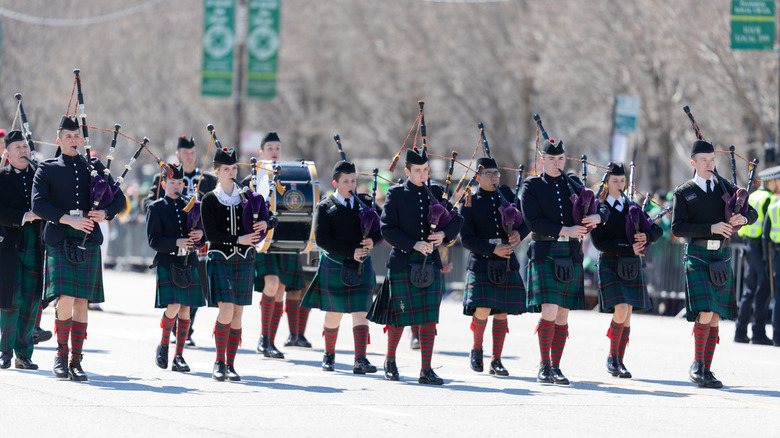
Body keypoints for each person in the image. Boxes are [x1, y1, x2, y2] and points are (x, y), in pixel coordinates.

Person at [32, 116, 126, 381]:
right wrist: (67, 218)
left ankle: (77, 359)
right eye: (69, 137)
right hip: (61, 236)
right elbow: (38, 204)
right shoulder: (47, 169)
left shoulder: (94, 167)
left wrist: (105, 213)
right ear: (59, 140)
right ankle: (61, 355)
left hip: (87, 240)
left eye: (78, 137)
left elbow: (120, 199)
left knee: (83, 301)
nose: (74, 141)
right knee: (66, 298)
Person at [367, 146, 464, 385]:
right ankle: (390, 361)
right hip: (403, 262)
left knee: (429, 319)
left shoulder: (436, 192)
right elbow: (387, 229)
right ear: (408, 170)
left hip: (430, 264)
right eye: (418, 170)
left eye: (426, 170)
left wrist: (443, 235)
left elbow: (455, 219)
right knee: (398, 318)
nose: (423, 174)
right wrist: (414, 244)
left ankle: (426, 369)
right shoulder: (396, 194)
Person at [519, 138, 608, 385]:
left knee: (563, 314)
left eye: (560, 159)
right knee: (549, 308)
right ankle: (544, 365)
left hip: (570, 254)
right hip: (545, 251)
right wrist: (565, 230)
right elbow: (533, 221)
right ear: (542, 161)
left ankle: (556, 366)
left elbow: (600, 208)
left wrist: (597, 219)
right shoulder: (531, 186)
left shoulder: (574, 185)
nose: (556, 163)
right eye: (551, 159)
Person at [672, 139, 757, 388]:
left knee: (716, 316)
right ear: (693, 163)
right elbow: (678, 228)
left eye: (712, 160)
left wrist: (743, 218)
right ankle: (698, 365)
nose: (709, 164)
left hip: (720, 257)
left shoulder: (725, 186)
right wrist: (711, 227)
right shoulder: (684, 191)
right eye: (704, 160)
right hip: (697, 255)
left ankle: (707, 369)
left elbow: (752, 213)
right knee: (706, 311)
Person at [301, 161, 383, 373]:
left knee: (361, 311)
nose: (351, 185)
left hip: (361, 264)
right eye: (346, 181)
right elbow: (322, 239)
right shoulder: (325, 206)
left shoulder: (366, 202)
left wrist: (374, 241)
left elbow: (384, 226)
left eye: (353, 181)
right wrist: (350, 252)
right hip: (336, 263)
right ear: (336, 183)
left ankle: (360, 359)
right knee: (334, 313)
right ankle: (329, 355)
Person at [202, 147, 273, 381]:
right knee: (227, 309)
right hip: (220, 256)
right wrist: (238, 239)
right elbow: (211, 234)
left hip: (244, 259)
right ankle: (218, 362)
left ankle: (230, 365)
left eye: (233, 168)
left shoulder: (246, 197)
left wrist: (265, 223)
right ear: (217, 172)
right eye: (226, 169)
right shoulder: (210, 199)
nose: (231, 172)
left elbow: (268, 214)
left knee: (238, 314)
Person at [590, 162, 663, 378]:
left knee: (628, 314)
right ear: (607, 183)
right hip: (610, 261)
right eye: (615, 181)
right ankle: (612, 357)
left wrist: (647, 237)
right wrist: (628, 247)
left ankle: (620, 360)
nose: (620, 184)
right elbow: (599, 242)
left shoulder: (632, 207)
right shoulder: (599, 208)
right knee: (621, 309)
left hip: (630, 264)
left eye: (622, 180)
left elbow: (656, 229)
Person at [144, 135, 217, 347]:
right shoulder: (161, 186)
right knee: (175, 303)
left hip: (196, 252)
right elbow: (150, 207)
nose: (190, 156)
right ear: (178, 154)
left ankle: (183, 341)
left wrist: (201, 234)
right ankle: (167, 340)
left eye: (193, 152)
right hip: (169, 251)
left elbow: (212, 214)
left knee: (191, 299)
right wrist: (158, 212)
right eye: (186, 152)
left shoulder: (208, 180)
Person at [459, 157, 529, 376]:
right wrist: (491, 250)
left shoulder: (507, 196)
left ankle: (496, 360)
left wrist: (519, 233)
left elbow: (526, 220)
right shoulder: (470, 200)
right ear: (478, 176)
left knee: (502, 311)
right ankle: (476, 349)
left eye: (496, 174)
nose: (494, 178)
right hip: (482, 260)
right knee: (482, 308)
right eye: (489, 174)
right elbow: (466, 238)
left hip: (506, 259)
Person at [244, 132, 308, 359]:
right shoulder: (253, 177)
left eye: (277, 147)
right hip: (263, 240)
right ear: (261, 152)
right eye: (270, 147)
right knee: (271, 284)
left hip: (286, 236)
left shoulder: (291, 176)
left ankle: (270, 341)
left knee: (280, 289)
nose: (274, 151)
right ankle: (264, 338)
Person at [146, 163, 206, 372]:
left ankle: (179, 355)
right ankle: (163, 345)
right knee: (173, 307)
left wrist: (201, 236)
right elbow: (153, 241)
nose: (177, 186)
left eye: (179, 182)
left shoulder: (190, 205)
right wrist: (176, 242)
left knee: (186, 309)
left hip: (188, 261)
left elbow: (201, 232)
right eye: (172, 183)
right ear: (163, 184)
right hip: (168, 261)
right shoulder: (156, 208)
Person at [0, 130, 44, 370]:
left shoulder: (40, 175)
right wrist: (24, 216)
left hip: (36, 244)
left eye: (25, 146)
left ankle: (24, 355)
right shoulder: (2, 177)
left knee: (30, 300)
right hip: (10, 246)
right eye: (17, 147)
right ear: (7, 153)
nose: (23, 150)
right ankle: (4, 351)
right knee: (10, 299)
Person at [735, 168, 776, 345]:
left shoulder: (753, 196)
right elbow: (767, 228)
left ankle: (740, 330)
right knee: (763, 289)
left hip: (748, 245)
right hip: (761, 247)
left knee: (749, 290)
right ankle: (758, 332)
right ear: (772, 182)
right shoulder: (769, 199)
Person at [760, 166, 780, 346]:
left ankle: (777, 336)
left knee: (778, 295)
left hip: (775, 253)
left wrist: (767, 259)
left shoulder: (773, 204)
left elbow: (765, 234)